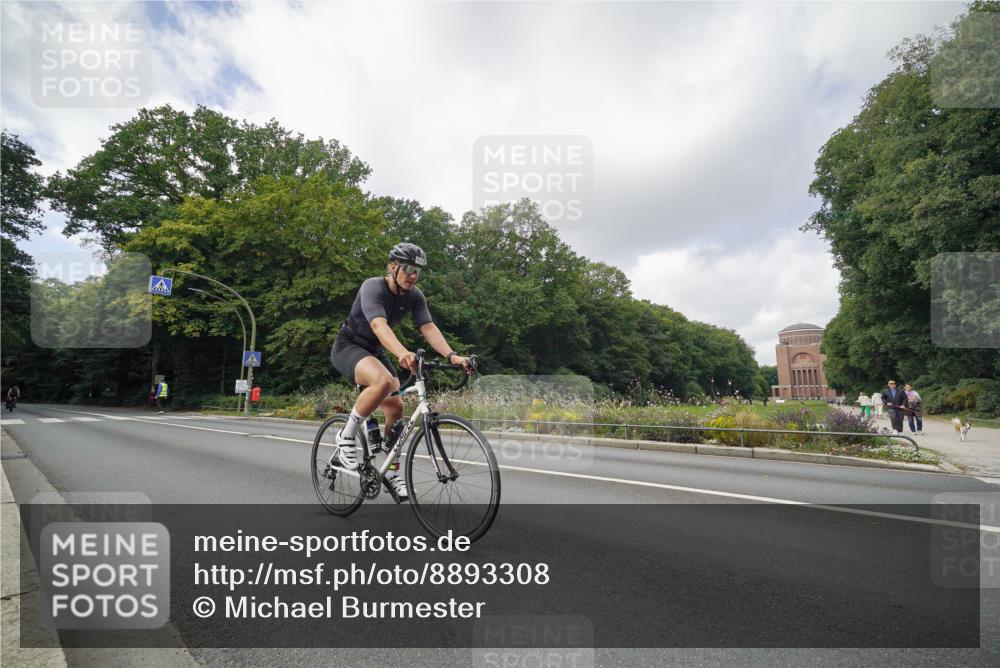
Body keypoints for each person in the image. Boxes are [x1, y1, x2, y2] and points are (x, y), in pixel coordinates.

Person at [329, 243, 471, 501]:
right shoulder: (372, 286)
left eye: (417, 271)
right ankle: (345, 435)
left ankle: (391, 473)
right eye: (408, 269)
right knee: (383, 381)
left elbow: (428, 327)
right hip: (349, 345)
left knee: (396, 408)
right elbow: (377, 324)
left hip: (375, 350)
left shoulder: (415, 296)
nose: (413, 275)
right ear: (393, 267)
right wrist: (402, 352)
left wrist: (452, 355)